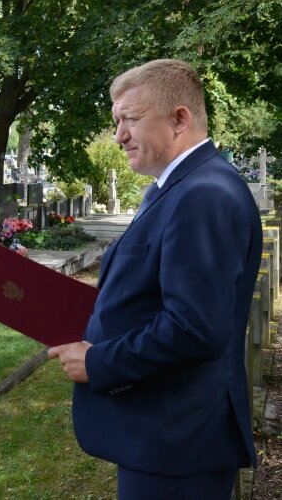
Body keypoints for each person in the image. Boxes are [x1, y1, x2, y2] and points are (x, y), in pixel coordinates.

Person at [48, 59, 262, 499]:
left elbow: (194, 327)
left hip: (178, 444)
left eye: (129, 119)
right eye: (116, 122)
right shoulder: (177, 187)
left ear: (179, 118)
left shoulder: (203, 194)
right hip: (164, 438)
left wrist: (98, 362)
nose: (119, 135)